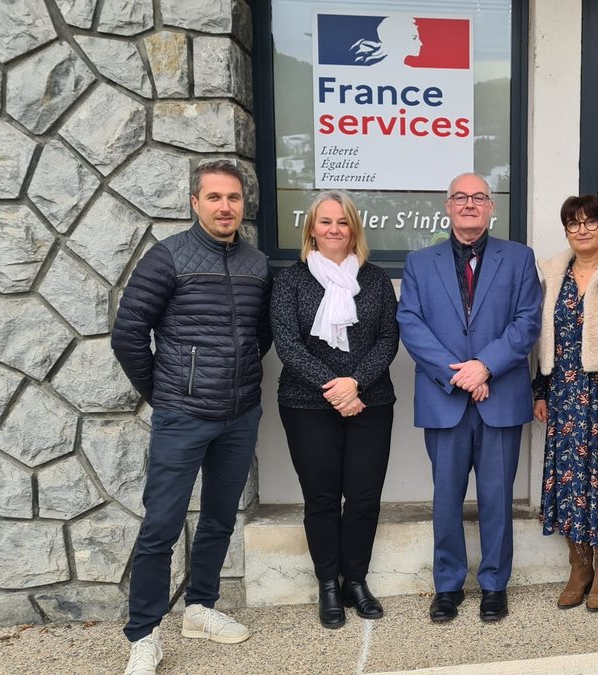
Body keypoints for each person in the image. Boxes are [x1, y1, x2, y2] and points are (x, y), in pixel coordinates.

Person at [111, 160, 271, 675]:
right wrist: (165, 391)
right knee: (161, 525)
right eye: (214, 198)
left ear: (243, 205)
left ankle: (200, 607)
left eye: (234, 198)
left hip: (240, 414)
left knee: (220, 518)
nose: (225, 207)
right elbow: (128, 333)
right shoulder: (167, 258)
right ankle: (143, 634)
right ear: (194, 203)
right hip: (183, 415)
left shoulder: (257, 264)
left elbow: (260, 335)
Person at [397, 173, 542, 623]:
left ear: (491, 206)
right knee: (446, 499)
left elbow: (527, 321)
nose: (469, 204)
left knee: (497, 498)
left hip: (499, 396)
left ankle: (495, 585)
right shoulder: (420, 262)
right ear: (448, 206)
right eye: (461, 197)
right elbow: (411, 323)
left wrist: (486, 366)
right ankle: (448, 585)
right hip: (445, 399)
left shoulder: (518, 258)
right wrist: (458, 375)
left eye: (479, 197)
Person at [270, 190, 399, 630]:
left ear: (353, 230)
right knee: (322, 499)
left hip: (371, 401)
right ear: (311, 230)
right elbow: (286, 343)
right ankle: (328, 584)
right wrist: (335, 388)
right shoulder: (290, 280)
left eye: (342, 223)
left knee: (363, 498)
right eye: (325, 222)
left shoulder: (376, 279)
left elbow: (388, 338)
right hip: (307, 404)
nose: (334, 230)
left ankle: (355, 582)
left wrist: (355, 383)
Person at [532, 195, 598, 613]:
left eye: (590, 222)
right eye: (573, 223)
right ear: (566, 231)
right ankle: (578, 568)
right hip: (563, 394)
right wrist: (540, 390)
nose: (582, 230)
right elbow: (539, 337)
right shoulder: (551, 273)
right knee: (569, 481)